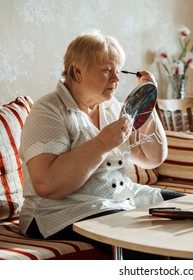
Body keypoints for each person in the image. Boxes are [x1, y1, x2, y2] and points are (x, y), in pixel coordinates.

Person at [19, 30, 183, 259]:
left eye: (118, 71)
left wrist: (148, 99)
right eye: (107, 71)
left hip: (120, 198)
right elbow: (47, 185)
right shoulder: (48, 111)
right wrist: (103, 143)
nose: (116, 79)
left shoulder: (112, 107)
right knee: (154, 247)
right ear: (78, 71)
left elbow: (152, 157)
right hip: (62, 211)